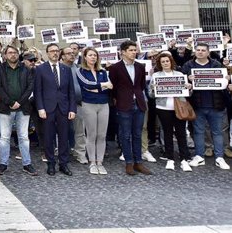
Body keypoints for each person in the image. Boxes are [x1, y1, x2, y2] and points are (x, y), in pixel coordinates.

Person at [182, 43, 231, 170]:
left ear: (208, 52)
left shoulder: (216, 64)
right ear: (194, 52)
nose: (200, 52)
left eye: (203, 50)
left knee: (217, 132)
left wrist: (226, 79)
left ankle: (219, 157)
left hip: (216, 104)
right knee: (199, 132)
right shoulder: (188, 65)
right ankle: (199, 156)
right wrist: (187, 80)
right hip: (197, 105)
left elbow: (225, 84)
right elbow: (182, 84)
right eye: (198, 50)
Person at [0, 45, 37, 176]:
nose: (13, 55)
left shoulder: (26, 69)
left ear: (19, 55)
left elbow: (30, 87)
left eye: (15, 52)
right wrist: (10, 102)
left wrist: (20, 102)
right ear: (5, 55)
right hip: (5, 108)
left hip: (23, 107)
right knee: (5, 137)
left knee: (23, 136)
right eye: (10, 53)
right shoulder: (0, 68)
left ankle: (27, 164)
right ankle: (3, 164)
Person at [109, 40, 151, 176]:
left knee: (137, 134)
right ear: (123, 52)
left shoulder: (140, 66)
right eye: (131, 50)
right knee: (125, 135)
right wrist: (118, 100)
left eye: (135, 50)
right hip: (123, 104)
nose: (134, 52)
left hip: (138, 103)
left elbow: (141, 85)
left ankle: (138, 162)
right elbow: (113, 88)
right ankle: (128, 163)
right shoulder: (115, 68)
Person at [34, 43, 76, 176]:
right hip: (47, 108)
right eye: (52, 51)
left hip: (63, 108)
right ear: (47, 53)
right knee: (48, 137)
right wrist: (40, 107)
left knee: (64, 137)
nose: (55, 53)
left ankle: (64, 164)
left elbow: (71, 91)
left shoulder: (65, 69)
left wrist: (72, 109)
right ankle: (51, 163)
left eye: (57, 51)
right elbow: (38, 90)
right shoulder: (41, 69)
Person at [149, 51, 192, 171]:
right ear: (160, 64)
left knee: (181, 133)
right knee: (167, 133)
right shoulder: (156, 76)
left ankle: (184, 159)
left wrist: (189, 88)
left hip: (179, 107)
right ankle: (170, 158)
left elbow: (187, 93)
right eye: (163, 62)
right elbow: (151, 95)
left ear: (171, 62)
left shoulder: (179, 74)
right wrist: (153, 89)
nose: (165, 63)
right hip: (163, 108)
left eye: (167, 61)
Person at [76, 47, 112, 175]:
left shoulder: (102, 71)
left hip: (103, 104)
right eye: (90, 55)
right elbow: (86, 84)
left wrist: (97, 87)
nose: (93, 57)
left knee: (102, 135)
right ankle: (92, 162)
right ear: (85, 57)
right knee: (92, 134)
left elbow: (110, 86)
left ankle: (100, 162)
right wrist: (102, 85)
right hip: (89, 104)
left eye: (95, 55)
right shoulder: (80, 71)